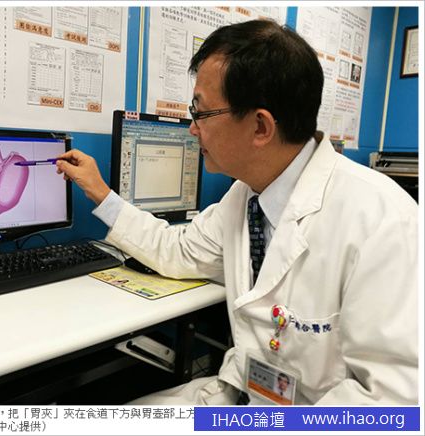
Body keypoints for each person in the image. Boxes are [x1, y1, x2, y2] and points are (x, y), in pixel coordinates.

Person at [56, 20, 418, 405]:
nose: (192, 129)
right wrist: (101, 193)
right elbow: (178, 251)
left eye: (200, 113)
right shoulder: (247, 195)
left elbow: (392, 401)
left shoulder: (381, 221)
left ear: (260, 126)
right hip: (242, 394)